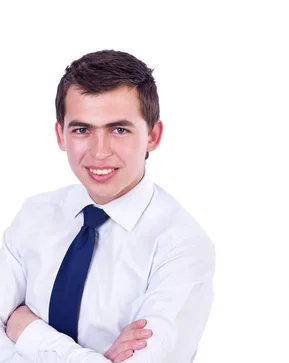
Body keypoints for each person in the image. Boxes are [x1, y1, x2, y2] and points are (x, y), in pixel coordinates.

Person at [0, 50, 215, 362]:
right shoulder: (35, 215)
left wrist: (28, 331)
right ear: (61, 135)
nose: (100, 152)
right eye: (82, 130)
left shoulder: (182, 247)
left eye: (119, 129)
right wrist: (95, 357)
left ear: (152, 136)